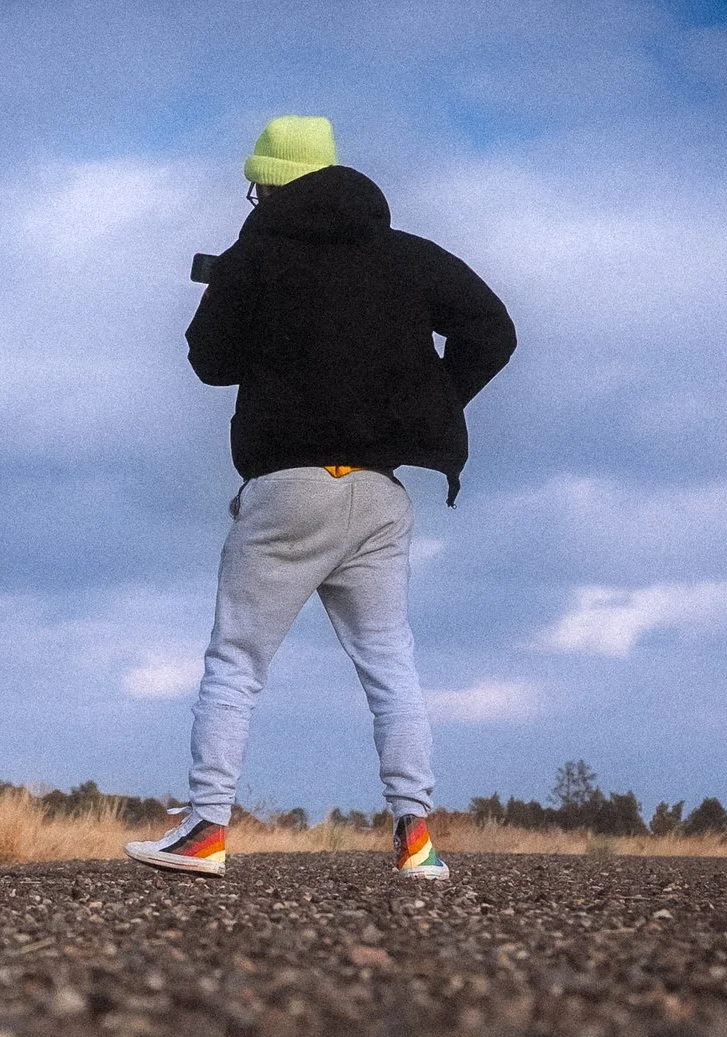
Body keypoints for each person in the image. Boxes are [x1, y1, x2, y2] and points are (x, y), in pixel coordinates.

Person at [126, 116, 516, 882]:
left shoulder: (256, 256)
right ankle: (418, 840)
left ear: (265, 183)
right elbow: (493, 330)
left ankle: (206, 831)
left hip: (287, 488)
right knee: (389, 663)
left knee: (236, 661)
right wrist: (432, 401)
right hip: (377, 492)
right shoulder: (409, 257)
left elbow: (207, 362)